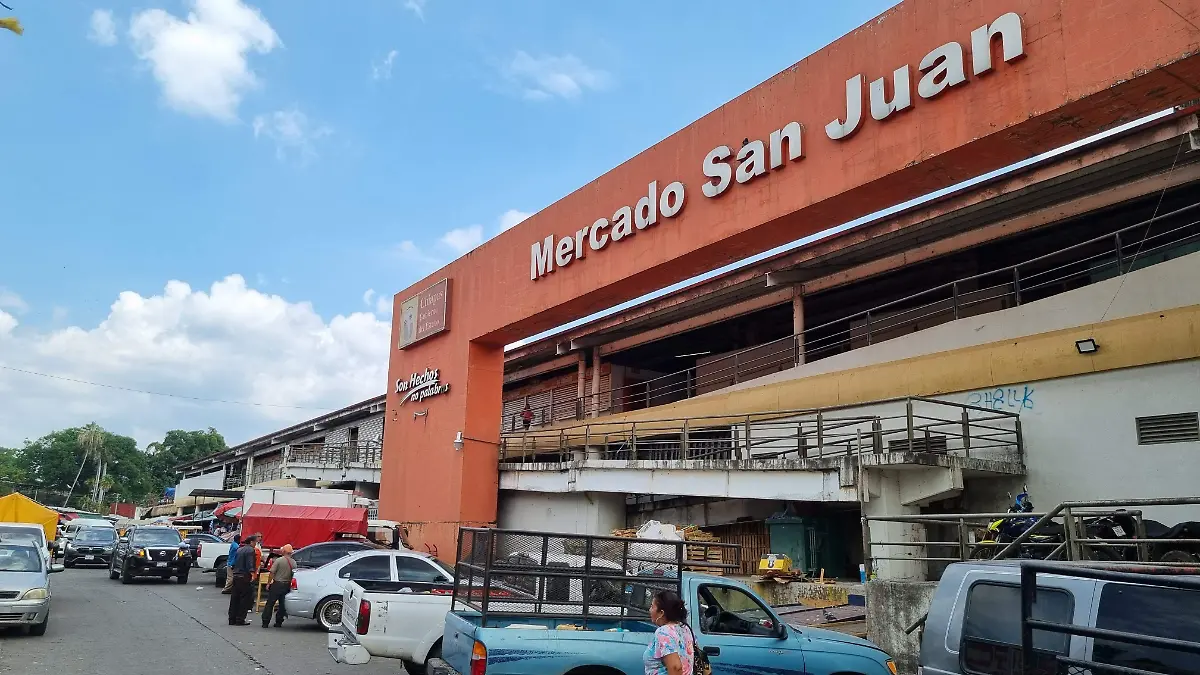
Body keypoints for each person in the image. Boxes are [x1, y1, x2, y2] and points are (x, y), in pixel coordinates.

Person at [644, 590, 694, 675]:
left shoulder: (664, 632)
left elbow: (676, 668)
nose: (650, 610)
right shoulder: (685, 628)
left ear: (661, 613)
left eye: (652, 607)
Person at [228, 533, 258, 626]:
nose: (256, 544)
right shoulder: (250, 550)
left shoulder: (239, 549)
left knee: (235, 598)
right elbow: (250, 563)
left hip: (236, 575)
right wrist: (252, 574)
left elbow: (235, 562)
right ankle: (240, 619)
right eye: (255, 542)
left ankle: (232, 618)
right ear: (252, 542)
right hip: (244, 576)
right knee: (244, 599)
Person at [261, 544, 294, 627]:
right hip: (287, 585)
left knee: (270, 603)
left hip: (277, 584)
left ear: (284, 551)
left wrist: (268, 583)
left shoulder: (279, 560)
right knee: (282, 604)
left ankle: (265, 622)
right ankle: (279, 622)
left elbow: (272, 572)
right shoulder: (294, 562)